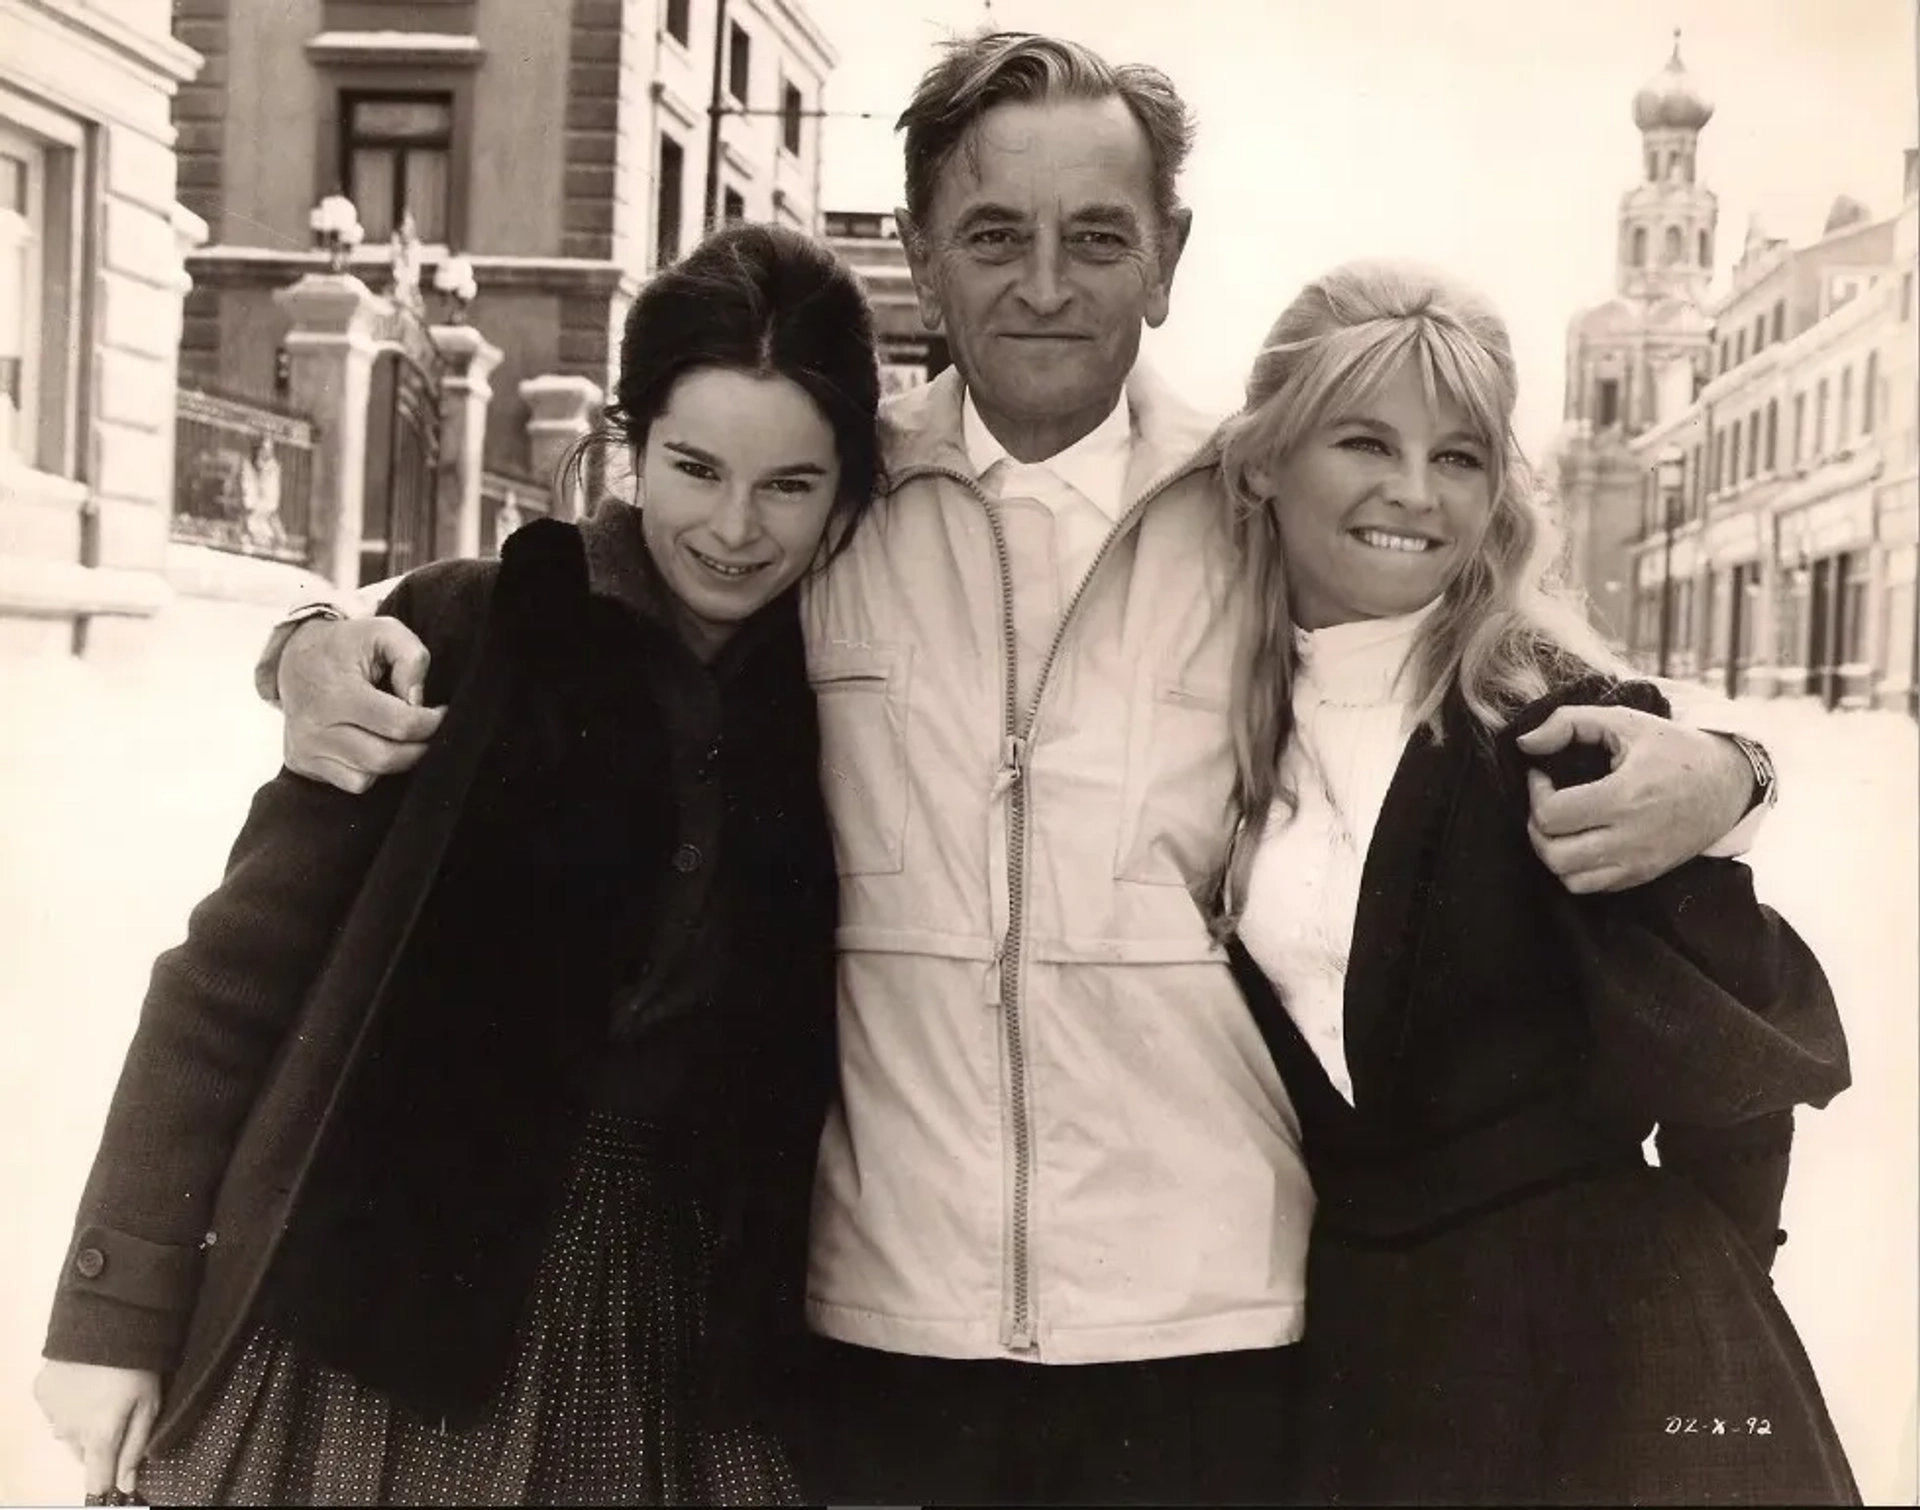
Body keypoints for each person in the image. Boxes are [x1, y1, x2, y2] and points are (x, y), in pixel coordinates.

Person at [248, 32, 1780, 1505]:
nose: (1045, 285)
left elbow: (1475, 633)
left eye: (1099, 238)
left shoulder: (1256, 503)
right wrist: (319, 630)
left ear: (1169, 258)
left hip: (1210, 1323)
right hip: (880, 1315)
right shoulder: (830, 500)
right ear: (919, 255)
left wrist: (1728, 760)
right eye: (993, 234)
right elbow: (598, 583)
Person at [32, 223, 880, 1507]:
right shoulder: (468, 637)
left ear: (845, 489)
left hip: (686, 1341)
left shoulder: (844, 692)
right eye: (695, 467)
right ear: (628, 446)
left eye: (790, 486)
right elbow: (229, 981)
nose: (733, 529)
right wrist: (114, 1307)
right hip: (401, 1304)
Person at [1209, 258, 1857, 1505]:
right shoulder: (1218, 711)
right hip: (1362, 1357)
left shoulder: (1554, 719)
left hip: (1601, 1356)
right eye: (1364, 441)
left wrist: (1697, 1328)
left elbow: (1729, 1073)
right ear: (1263, 460)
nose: (1415, 492)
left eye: (1460, 455)